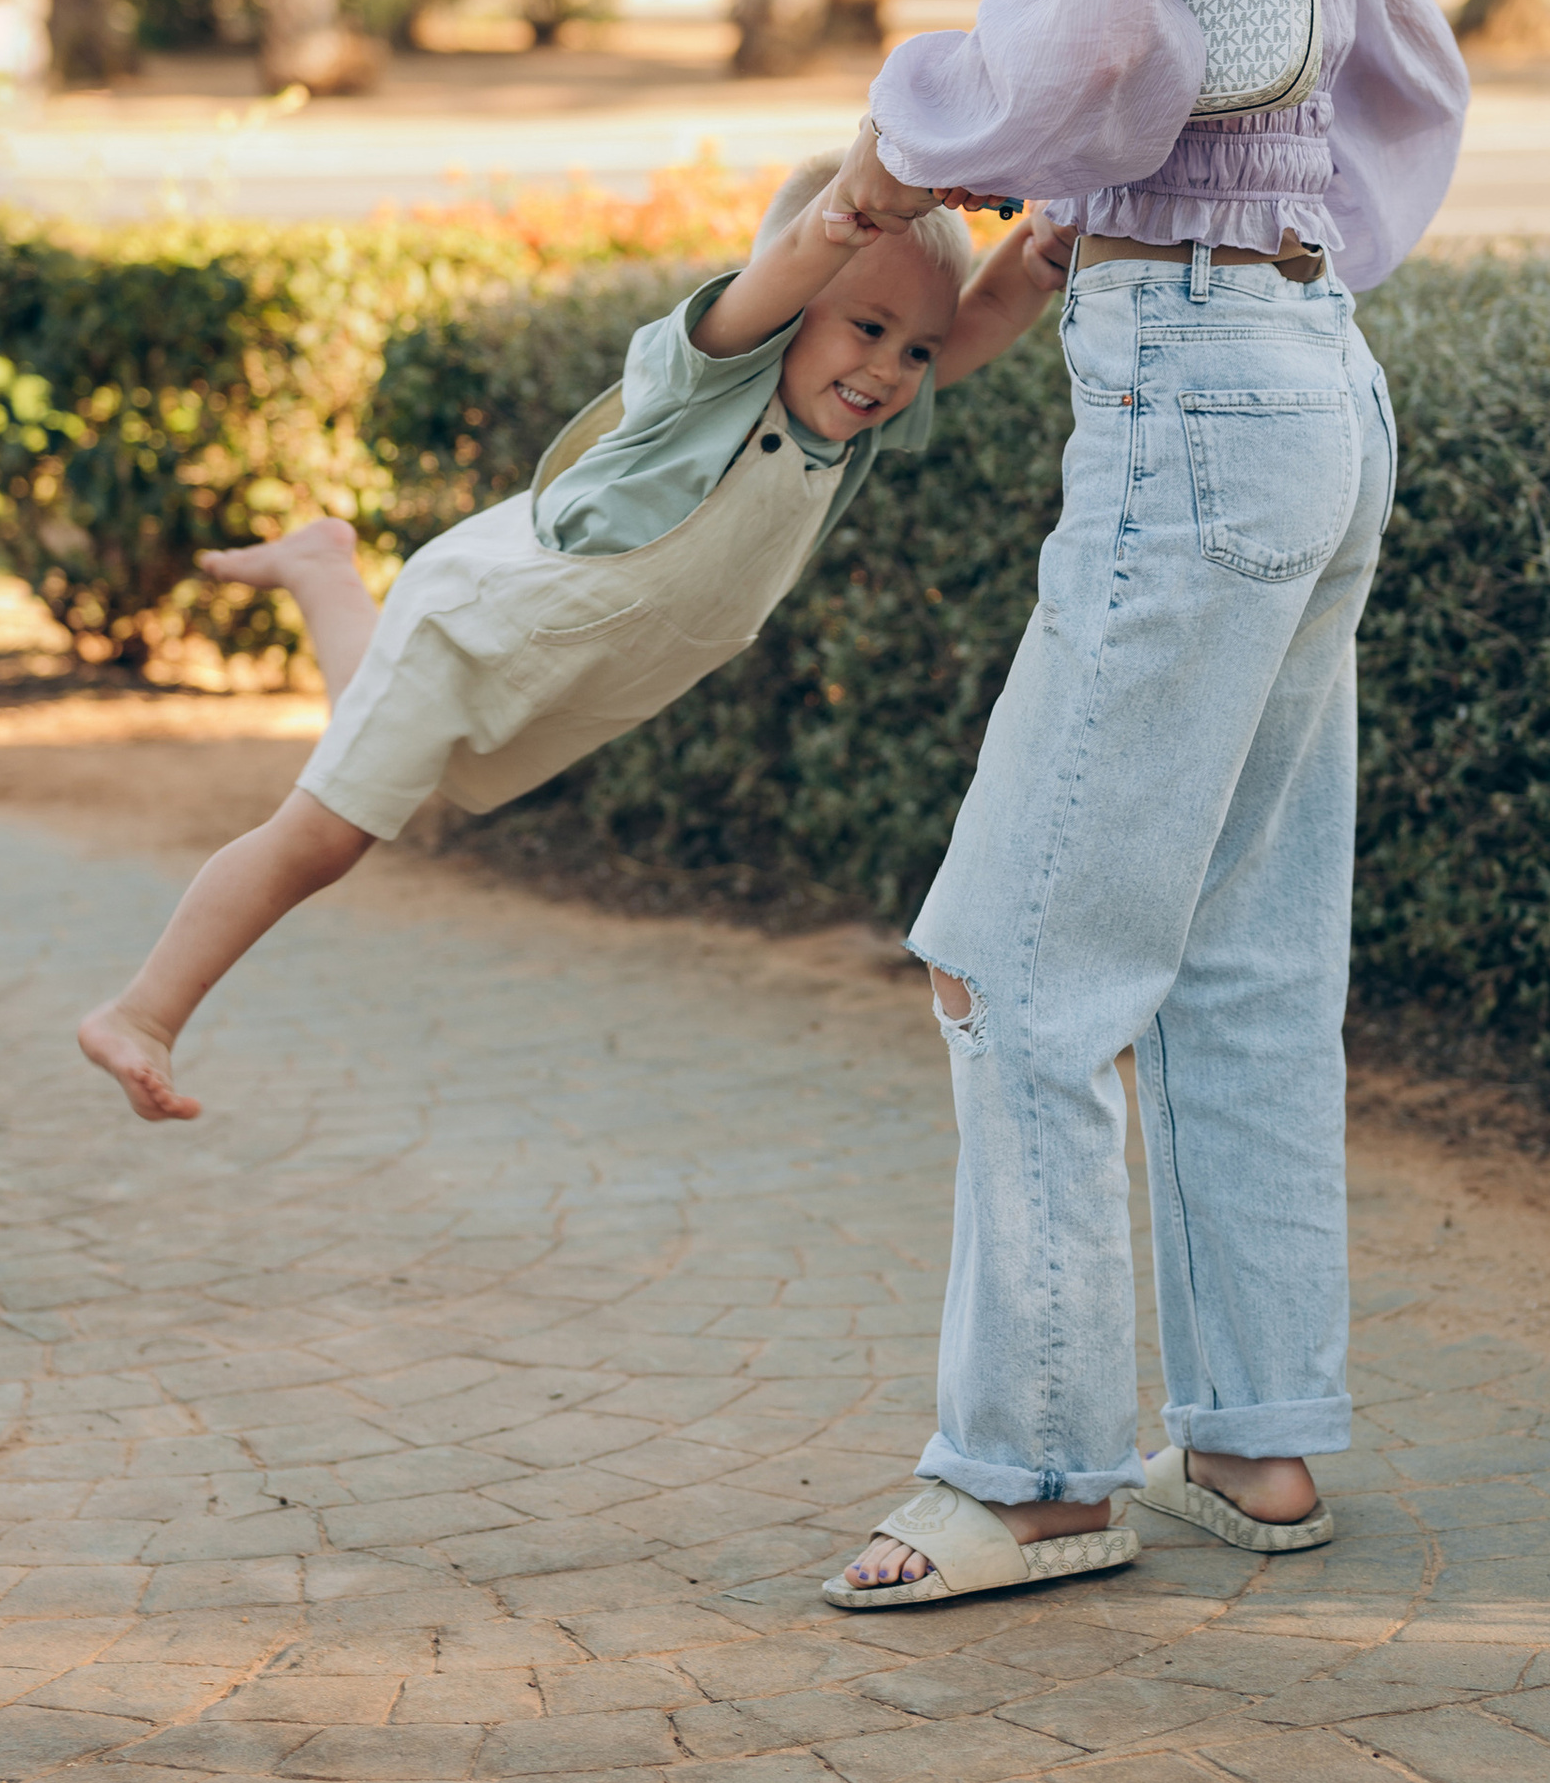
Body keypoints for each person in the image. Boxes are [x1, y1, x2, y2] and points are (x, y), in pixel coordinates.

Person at [822, 0, 1550, 1611]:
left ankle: (1026, 1479)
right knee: (1242, 954)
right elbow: (1372, 92)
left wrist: (902, 144)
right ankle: (1260, 1447)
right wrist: (1129, 258)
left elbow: (1089, 52)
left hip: (1203, 397)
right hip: (1308, 388)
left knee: (1007, 959)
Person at [78, 161, 1074, 1120]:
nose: (890, 369)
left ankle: (319, 565)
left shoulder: (846, 432)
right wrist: (868, 181)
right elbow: (800, 258)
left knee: (380, 753)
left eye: (912, 349)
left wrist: (1040, 241)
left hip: (549, 669)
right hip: (468, 630)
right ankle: (141, 1012)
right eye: (867, 327)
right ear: (798, 300)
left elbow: (976, 319)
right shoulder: (711, 376)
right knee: (323, 837)